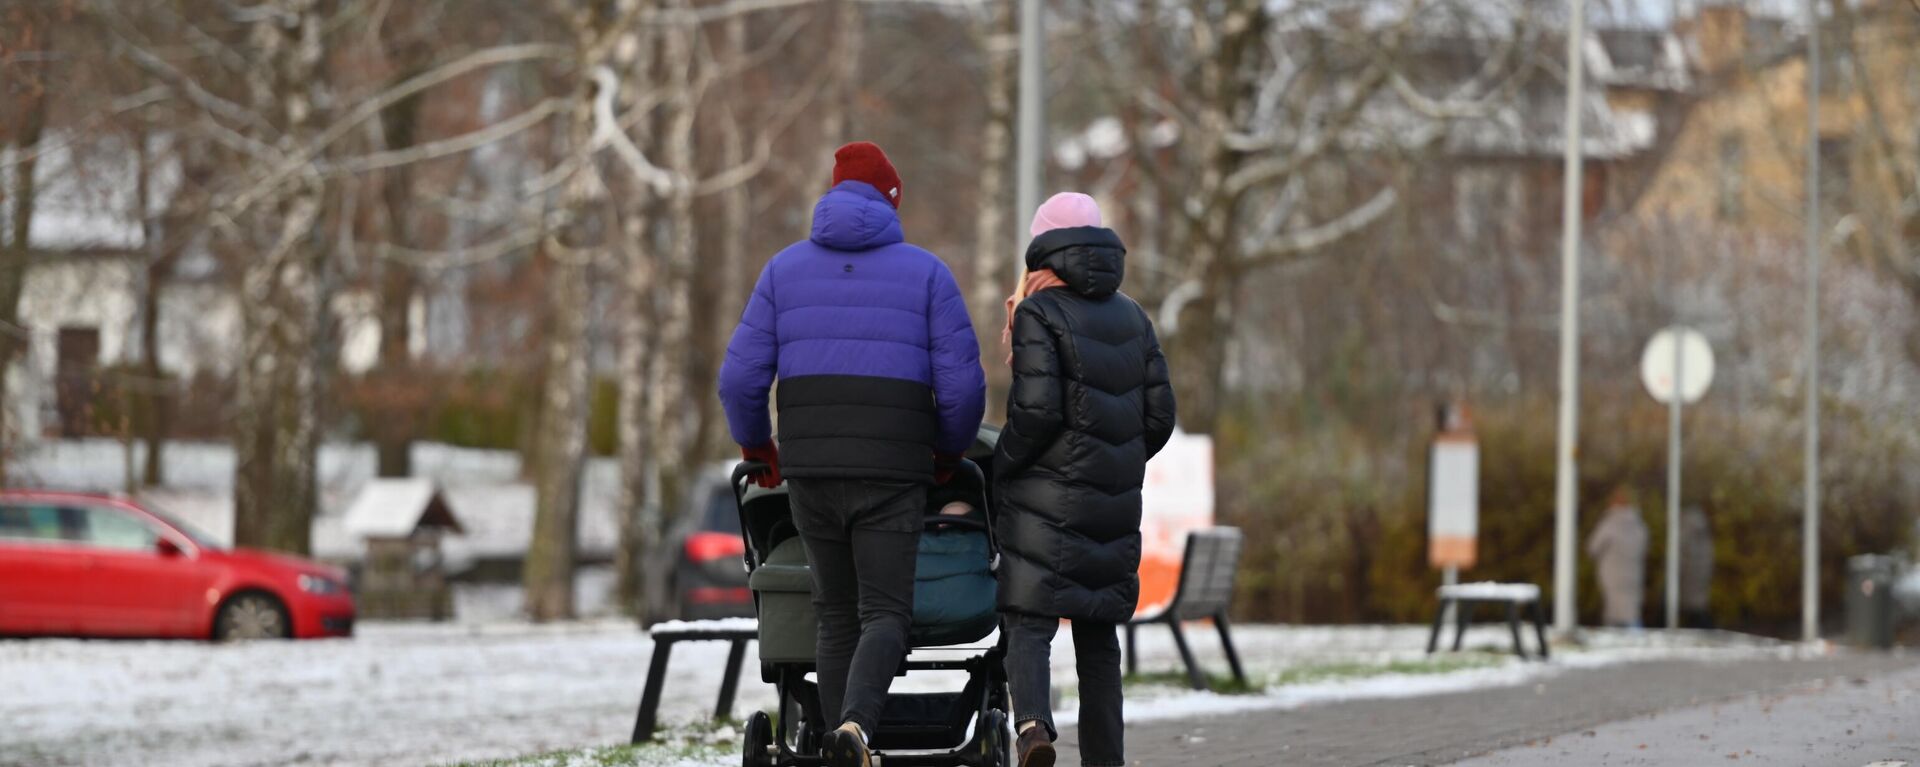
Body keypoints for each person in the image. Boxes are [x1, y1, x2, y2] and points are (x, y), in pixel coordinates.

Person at [716, 141, 986, 767]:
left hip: (809, 466)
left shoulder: (783, 271)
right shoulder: (927, 273)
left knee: (835, 615)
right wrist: (946, 455)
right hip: (893, 469)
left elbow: (740, 380)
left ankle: (846, 743)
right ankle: (856, 731)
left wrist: (760, 446)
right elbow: (964, 387)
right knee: (886, 613)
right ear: (891, 201)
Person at [994, 192, 1175, 767]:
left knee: (1030, 619)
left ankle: (1032, 729)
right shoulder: (1133, 314)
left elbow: (1038, 411)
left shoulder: (1037, 313)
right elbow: (1160, 416)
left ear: (1041, 248)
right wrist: (1115, 461)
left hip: (1044, 498)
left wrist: (1003, 464)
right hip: (1112, 503)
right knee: (1099, 639)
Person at [1587, 488, 1649, 629]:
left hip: (1612, 574)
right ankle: (1634, 634)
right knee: (1631, 610)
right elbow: (1645, 547)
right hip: (1634, 574)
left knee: (1614, 609)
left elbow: (1593, 547)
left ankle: (1621, 635)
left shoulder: (1609, 524)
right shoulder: (1639, 524)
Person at [1680, 505, 1714, 628]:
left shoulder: (1687, 534)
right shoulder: (1704, 535)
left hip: (1690, 582)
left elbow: (1683, 558)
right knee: (1697, 613)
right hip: (1699, 584)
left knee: (1697, 615)